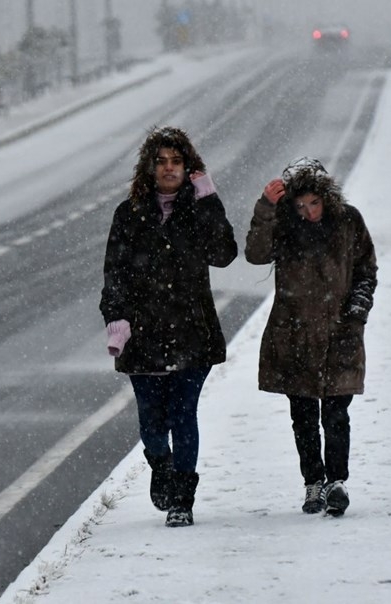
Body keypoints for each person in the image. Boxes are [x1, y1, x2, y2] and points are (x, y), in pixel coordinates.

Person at [100, 126, 238, 527]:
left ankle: (183, 499)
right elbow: (115, 275)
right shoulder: (129, 215)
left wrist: (208, 195)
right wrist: (117, 318)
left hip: (192, 332)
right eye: (160, 162)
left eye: (176, 162)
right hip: (142, 337)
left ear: (188, 166)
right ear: (149, 167)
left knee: (184, 416)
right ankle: (160, 465)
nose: (168, 169)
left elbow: (225, 254)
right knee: (152, 422)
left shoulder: (198, 209)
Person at [244, 157, 377, 516]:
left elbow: (366, 268)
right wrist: (267, 208)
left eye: (314, 203)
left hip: (340, 333)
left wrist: (358, 308)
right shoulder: (285, 227)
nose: (309, 212)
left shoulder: (349, 222)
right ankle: (312, 484)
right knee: (302, 416)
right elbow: (255, 253)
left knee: (336, 414)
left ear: (326, 198)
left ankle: (337, 481)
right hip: (294, 335)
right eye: (301, 206)